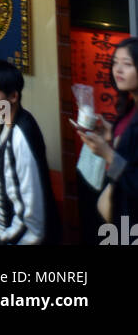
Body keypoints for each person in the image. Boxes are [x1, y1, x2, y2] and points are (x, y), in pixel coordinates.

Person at [0, 59, 60, 245]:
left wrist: (8, 237)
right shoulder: (9, 121)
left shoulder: (20, 137)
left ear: (13, 96)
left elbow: (31, 205)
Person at [77, 36, 138, 226]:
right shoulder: (130, 106)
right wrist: (109, 133)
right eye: (115, 63)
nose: (118, 70)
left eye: (126, 64)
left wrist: (108, 154)